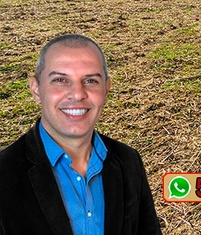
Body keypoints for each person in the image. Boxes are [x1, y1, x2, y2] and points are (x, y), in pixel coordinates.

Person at [0, 34, 162, 235]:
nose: (77, 94)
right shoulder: (4, 174)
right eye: (60, 80)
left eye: (91, 80)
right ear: (36, 89)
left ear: (106, 90)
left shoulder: (129, 161)